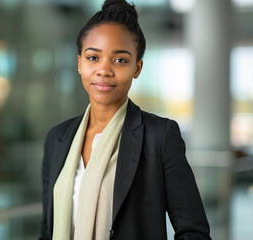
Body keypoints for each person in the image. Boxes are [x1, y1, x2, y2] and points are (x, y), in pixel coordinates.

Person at [39, 0, 211, 239]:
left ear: (137, 68)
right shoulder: (57, 139)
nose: (104, 70)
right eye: (93, 58)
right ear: (79, 63)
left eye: (120, 60)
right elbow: (48, 231)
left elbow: (194, 232)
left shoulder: (159, 137)